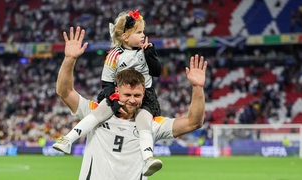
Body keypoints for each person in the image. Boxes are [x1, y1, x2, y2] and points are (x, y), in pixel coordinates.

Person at [54, 25, 207, 180]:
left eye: (137, 95)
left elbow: (193, 123)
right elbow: (64, 92)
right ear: (116, 92)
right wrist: (69, 59)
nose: (132, 100)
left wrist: (198, 88)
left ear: (144, 95)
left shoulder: (152, 124)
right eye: (127, 94)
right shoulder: (95, 112)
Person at [53, 9, 163, 176]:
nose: (143, 35)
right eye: (139, 32)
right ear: (125, 36)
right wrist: (113, 97)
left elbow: (157, 71)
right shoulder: (114, 54)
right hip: (116, 94)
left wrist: (150, 54)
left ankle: (148, 158)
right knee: (98, 113)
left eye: (143, 32)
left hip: (145, 96)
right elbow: (106, 81)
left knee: (144, 121)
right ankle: (68, 139)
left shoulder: (146, 50)